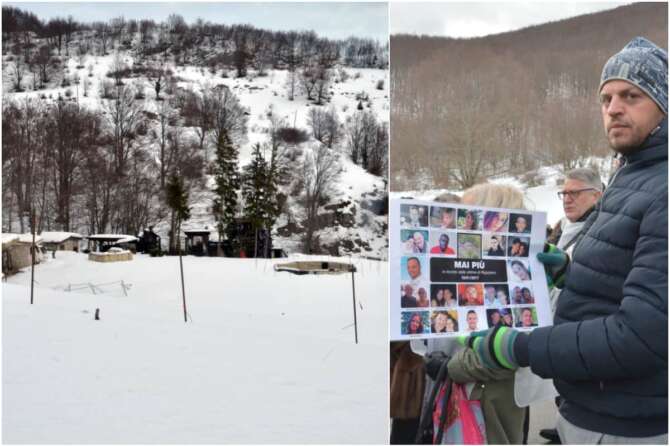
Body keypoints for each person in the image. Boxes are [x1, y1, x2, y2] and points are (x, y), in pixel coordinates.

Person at [463, 37, 668, 444]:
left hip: (623, 424)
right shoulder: (633, 174)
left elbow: (643, 336)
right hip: (591, 407)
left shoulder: (663, 187)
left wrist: (517, 347)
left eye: (631, 95)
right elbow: (623, 283)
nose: (613, 108)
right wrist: (569, 275)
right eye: (606, 98)